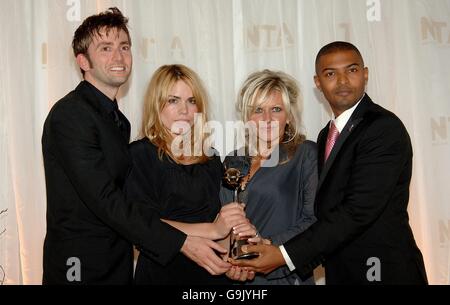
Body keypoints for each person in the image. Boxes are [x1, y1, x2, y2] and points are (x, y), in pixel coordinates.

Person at [41, 8, 231, 284]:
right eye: (105, 48)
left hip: (118, 262)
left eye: (124, 47)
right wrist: (183, 241)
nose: (118, 57)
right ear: (83, 61)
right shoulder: (71, 115)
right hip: (80, 264)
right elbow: (107, 201)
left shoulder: (118, 121)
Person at [232, 41, 428, 284]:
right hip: (340, 272)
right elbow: (327, 210)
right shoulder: (328, 135)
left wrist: (282, 254)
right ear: (318, 82)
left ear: (365, 74)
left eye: (352, 70)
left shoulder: (383, 128)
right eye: (331, 74)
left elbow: (357, 211)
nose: (343, 81)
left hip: (383, 271)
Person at [123, 64, 255, 284]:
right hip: (162, 274)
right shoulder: (139, 154)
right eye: (173, 100)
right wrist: (212, 229)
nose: (184, 110)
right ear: (157, 105)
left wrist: (233, 259)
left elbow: (219, 226)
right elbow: (141, 223)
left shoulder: (210, 158)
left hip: (210, 275)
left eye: (191, 101)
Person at [221, 70, 317, 285]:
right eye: (258, 110)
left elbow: (313, 221)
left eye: (276, 109)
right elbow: (223, 223)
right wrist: (228, 262)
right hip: (241, 277)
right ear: (247, 117)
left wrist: (268, 244)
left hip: (284, 273)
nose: (267, 119)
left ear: (289, 115)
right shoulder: (233, 160)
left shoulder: (305, 154)